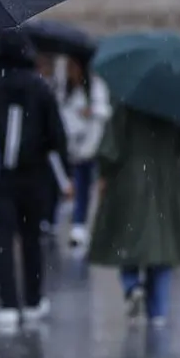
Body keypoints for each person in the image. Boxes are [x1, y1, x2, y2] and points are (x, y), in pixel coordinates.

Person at [0, 30, 72, 330]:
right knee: (32, 238)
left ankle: (8, 303)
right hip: (34, 176)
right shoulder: (40, 88)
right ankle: (33, 299)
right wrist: (65, 176)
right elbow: (56, 136)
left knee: (3, 240)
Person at [87, 106, 180, 325]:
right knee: (163, 248)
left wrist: (105, 172)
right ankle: (158, 311)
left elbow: (110, 148)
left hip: (131, 175)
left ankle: (132, 286)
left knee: (126, 240)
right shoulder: (179, 107)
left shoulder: (128, 104)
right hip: (166, 180)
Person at [55, 55, 111, 248]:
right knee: (69, 184)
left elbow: (104, 111)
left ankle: (79, 225)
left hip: (89, 145)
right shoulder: (64, 88)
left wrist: (91, 111)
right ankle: (70, 220)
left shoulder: (95, 87)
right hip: (69, 145)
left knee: (84, 185)